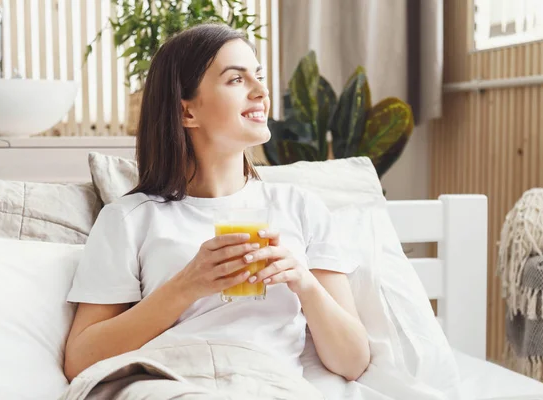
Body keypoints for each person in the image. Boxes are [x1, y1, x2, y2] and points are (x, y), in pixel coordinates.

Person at [63, 23, 370, 390]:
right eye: (236, 80)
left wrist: (303, 283)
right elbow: (79, 360)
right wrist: (186, 286)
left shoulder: (299, 208)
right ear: (186, 113)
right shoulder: (130, 219)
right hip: (169, 380)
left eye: (258, 76)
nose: (261, 91)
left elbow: (352, 361)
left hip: (267, 383)